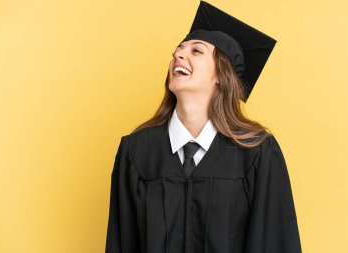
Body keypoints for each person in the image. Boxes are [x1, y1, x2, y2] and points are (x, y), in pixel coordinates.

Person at [105, 1, 302, 252]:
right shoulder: (137, 152)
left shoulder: (256, 152)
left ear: (221, 74)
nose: (178, 55)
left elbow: (275, 242)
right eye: (177, 51)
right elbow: (121, 243)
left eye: (196, 51)